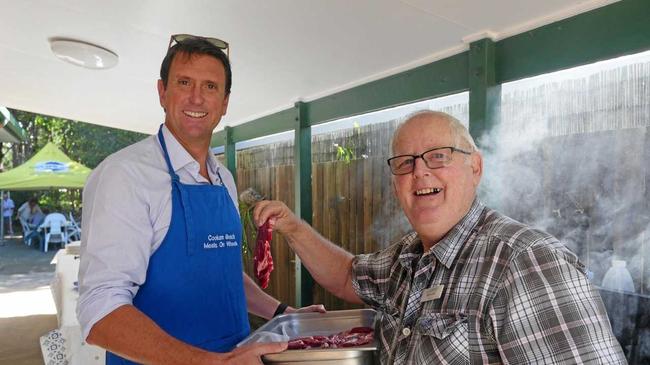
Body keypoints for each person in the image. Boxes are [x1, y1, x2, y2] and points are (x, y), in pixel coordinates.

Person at [254, 110, 627, 364]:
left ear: (475, 167)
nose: (420, 173)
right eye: (406, 163)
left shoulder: (526, 262)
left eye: (438, 156)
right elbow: (346, 274)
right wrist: (292, 226)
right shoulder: (407, 259)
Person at [77, 35, 324, 365]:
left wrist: (284, 314)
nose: (197, 97)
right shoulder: (125, 176)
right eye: (184, 82)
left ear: (224, 103)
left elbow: (221, 273)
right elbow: (100, 312)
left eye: (210, 87)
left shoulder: (223, 178)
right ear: (162, 92)